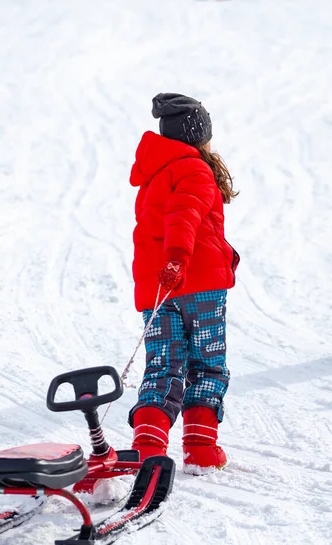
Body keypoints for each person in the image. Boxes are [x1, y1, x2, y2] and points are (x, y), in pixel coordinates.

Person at [129, 93, 239, 473]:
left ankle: (146, 450)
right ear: (198, 137)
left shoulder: (153, 175)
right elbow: (184, 216)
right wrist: (177, 259)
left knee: (162, 368)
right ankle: (200, 450)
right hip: (199, 285)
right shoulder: (194, 170)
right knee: (207, 366)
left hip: (157, 290)